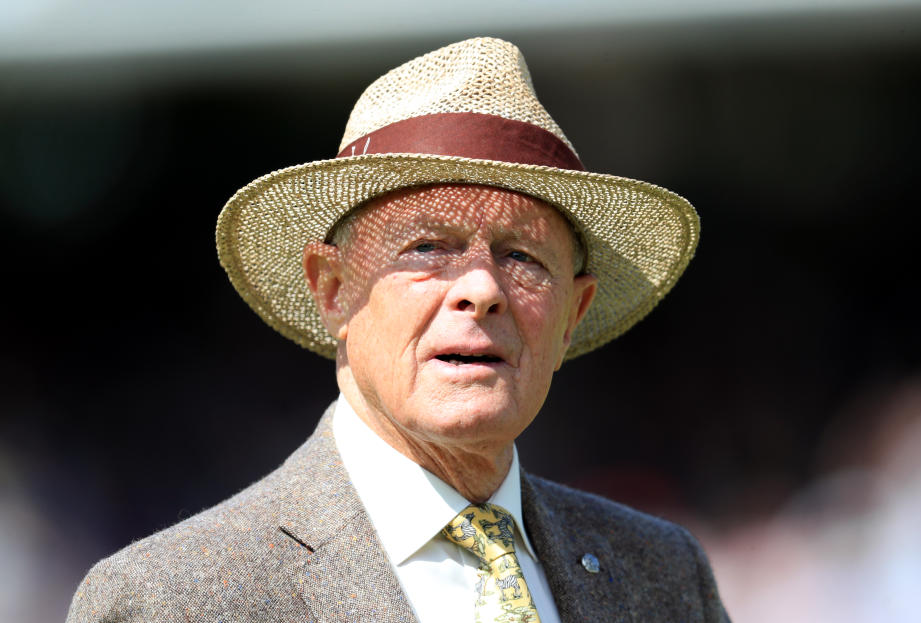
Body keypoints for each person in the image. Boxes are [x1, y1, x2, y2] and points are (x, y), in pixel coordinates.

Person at [67, 37, 729, 623]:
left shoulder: (664, 575)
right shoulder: (173, 601)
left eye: (522, 257)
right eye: (427, 248)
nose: (482, 289)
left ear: (571, 317)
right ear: (331, 289)